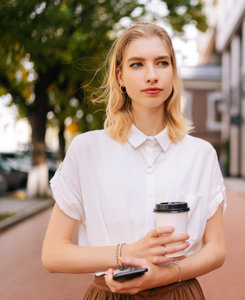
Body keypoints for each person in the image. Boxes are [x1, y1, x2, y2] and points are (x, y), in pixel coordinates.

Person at [41, 22, 226, 300]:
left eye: (162, 63)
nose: (152, 75)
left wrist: (167, 274)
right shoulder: (87, 150)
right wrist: (125, 252)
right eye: (137, 64)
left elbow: (217, 249)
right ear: (120, 77)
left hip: (179, 292)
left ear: (173, 73)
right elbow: (53, 254)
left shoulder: (201, 154)